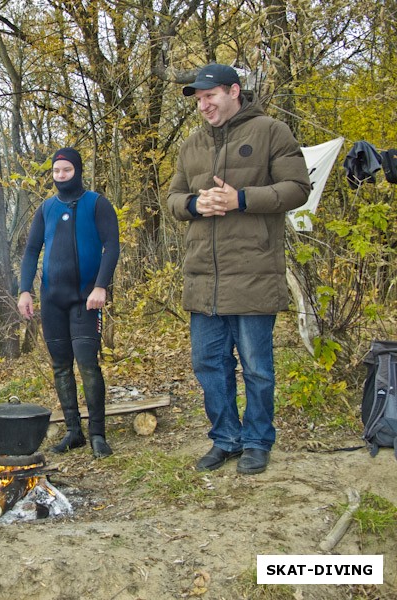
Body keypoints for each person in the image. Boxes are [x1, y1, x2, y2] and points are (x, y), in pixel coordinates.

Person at [166, 64, 310, 475]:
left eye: (210, 96)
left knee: (257, 368)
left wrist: (240, 199)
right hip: (202, 278)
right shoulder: (191, 144)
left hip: (253, 272)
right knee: (208, 364)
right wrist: (195, 205)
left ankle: (257, 441)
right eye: (197, 99)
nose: (203, 105)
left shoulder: (270, 131)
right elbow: (173, 199)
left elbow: (297, 188)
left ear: (234, 90)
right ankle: (225, 438)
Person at [18, 148, 120, 458]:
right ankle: (74, 431)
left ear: (77, 170)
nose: (61, 176)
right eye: (56, 171)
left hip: (86, 300)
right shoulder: (46, 208)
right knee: (61, 367)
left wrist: (101, 286)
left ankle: (97, 434)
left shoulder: (96, 204)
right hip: (53, 301)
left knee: (88, 366)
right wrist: (25, 290)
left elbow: (112, 246)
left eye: (67, 170)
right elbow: (31, 250)